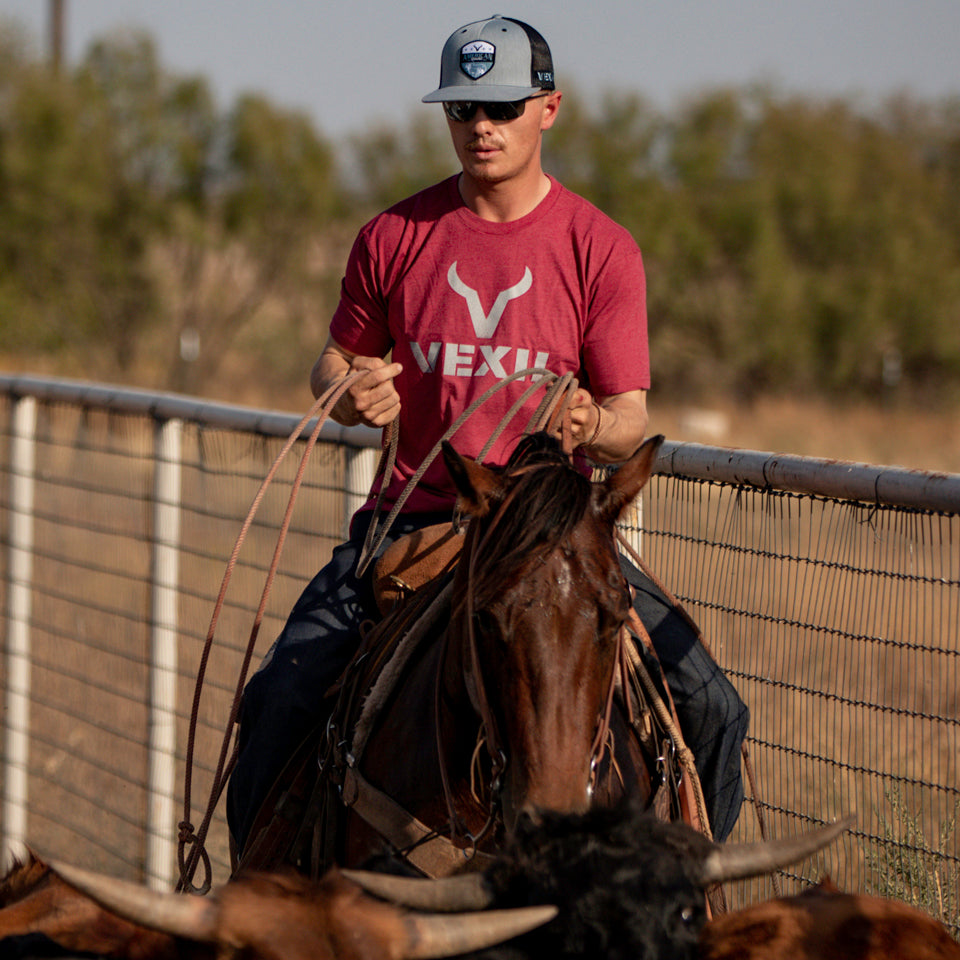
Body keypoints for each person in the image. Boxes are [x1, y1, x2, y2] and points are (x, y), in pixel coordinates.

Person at [227, 15, 749, 855]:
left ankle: (686, 901)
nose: (481, 128)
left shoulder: (600, 249)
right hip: (413, 525)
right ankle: (257, 898)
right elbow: (335, 359)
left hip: (552, 539)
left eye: (502, 107)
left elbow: (628, 420)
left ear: (550, 109)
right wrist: (349, 394)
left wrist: (591, 424)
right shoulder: (394, 238)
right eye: (463, 109)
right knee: (280, 701)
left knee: (716, 710)